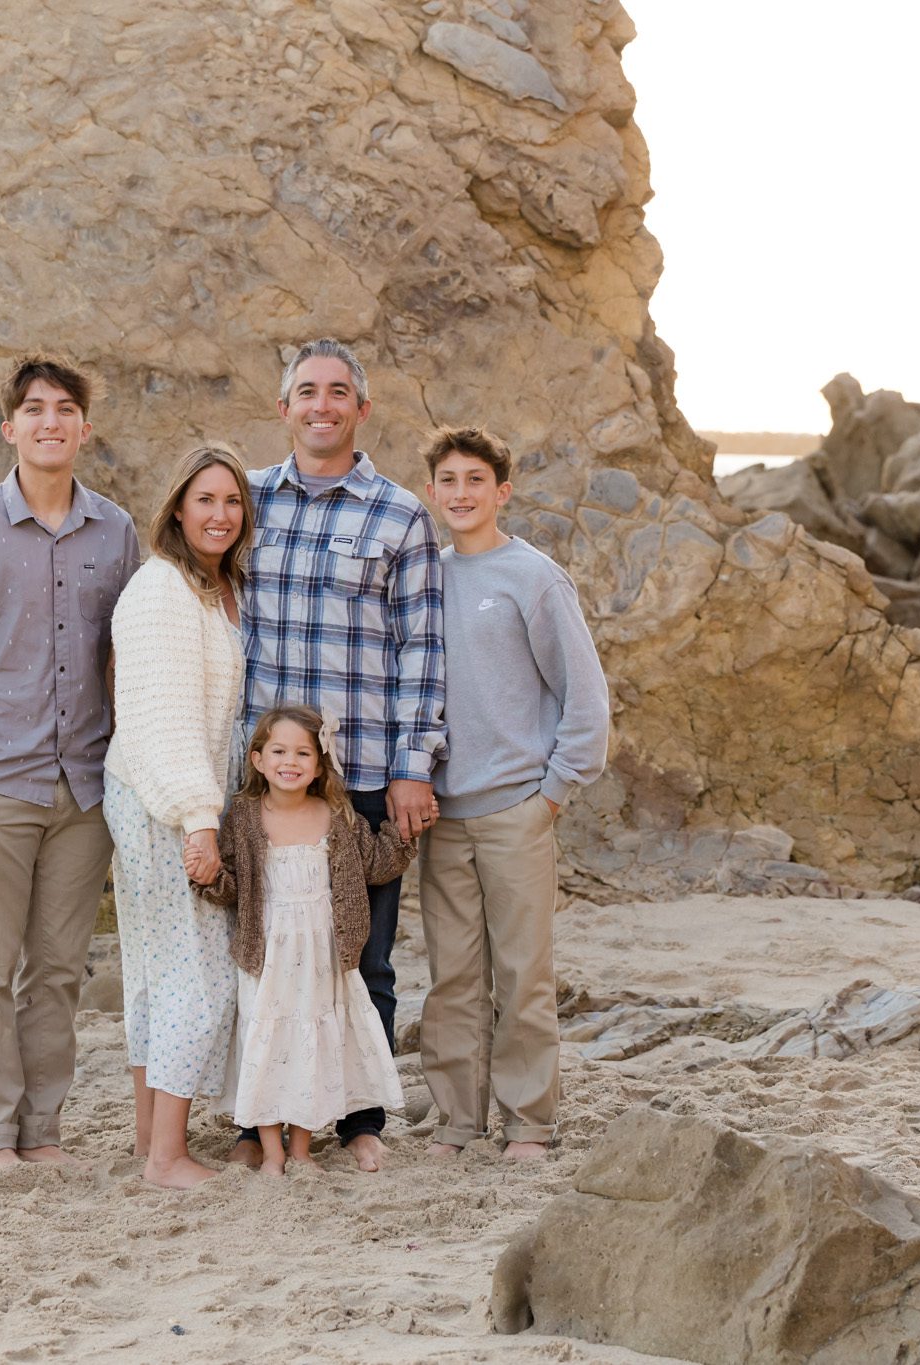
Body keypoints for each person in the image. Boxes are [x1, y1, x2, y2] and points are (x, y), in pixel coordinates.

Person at [0, 353, 139, 1171]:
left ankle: (42, 1131)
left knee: (57, 971)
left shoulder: (116, 530)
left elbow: (123, 655)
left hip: (83, 788)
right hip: (0, 785)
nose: (51, 420)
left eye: (65, 408)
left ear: (84, 426)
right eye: (34, 409)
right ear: (11, 428)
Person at [236, 337, 447, 1172]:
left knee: (361, 956)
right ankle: (259, 1123)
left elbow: (422, 651)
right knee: (260, 955)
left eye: (337, 392)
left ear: (362, 409)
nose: (321, 405)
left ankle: (361, 1122)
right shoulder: (247, 502)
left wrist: (412, 767)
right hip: (265, 782)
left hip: (358, 779)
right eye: (305, 392)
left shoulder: (399, 515)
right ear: (283, 407)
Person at [417, 426, 609, 1162]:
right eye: (447, 480)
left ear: (502, 491)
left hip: (516, 811)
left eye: (475, 480)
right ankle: (459, 1122)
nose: (460, 493)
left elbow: (585, 699)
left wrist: (552, 794)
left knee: (524, 974)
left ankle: (528, 1122)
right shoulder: (426, 576)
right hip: (441, 816)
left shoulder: (534, 577)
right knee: (453, 979)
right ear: (431, 491)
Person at [100, 444, 254, 1189]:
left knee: (161, 970)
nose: (219, 514)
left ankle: (148, 1141)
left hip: (181, 796)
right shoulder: (162, 588)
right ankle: (167, 1155)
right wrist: (199, 819)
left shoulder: (221, 588)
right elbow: (159, 716)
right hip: (162, 799)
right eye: (205, 500)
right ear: (178, 510)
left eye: (232, 502)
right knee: (195, 974)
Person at [192, 706, 411, 1175]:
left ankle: (300, 1149)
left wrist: (406, 832)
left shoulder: (335, 814)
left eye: (303, 753)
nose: (290, 761)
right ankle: (271, 1152)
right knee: (268, 1042)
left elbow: (374, 866)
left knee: (312, 1041)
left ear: (319, 763)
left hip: (321, 956)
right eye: (279, 751)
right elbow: (231, 884)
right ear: (257, 759)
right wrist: (207, 877)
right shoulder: (245, 816)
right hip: (267, 954)